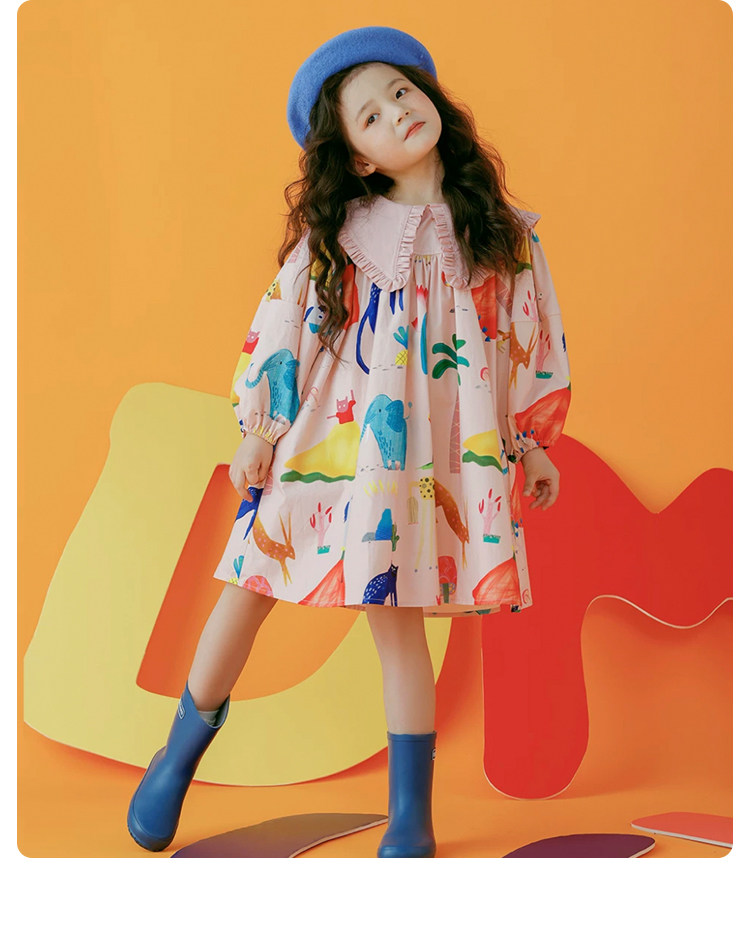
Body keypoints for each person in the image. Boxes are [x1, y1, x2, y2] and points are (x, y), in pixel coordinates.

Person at [127, 25, 572, 858]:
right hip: (321, 442)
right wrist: (259, 429)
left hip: (418, 461)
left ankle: (410, 814)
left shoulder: (503, 234)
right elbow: (283, 327)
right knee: (248, 587)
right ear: (359, 159)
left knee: (397, 620)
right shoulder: (340, 236)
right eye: (371, 115)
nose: (397, 112)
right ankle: (176, 758)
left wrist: (531, 440)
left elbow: (527, 341)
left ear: (429, 97)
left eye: (401, 91)